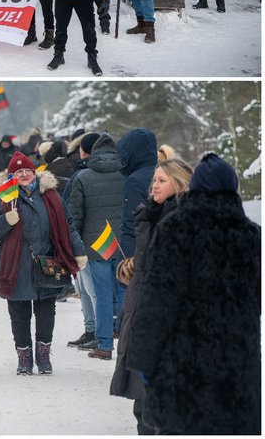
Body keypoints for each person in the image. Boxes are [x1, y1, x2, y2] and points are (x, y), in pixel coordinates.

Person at [127, 154, 260, 435]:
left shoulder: (175, 229)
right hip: (235, 369)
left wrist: (143, 361)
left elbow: (156, 302)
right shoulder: (251, 236)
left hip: (181, 369)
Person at [0, 153, 86, 375]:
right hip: (15, 266)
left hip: (47, 263)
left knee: (47, 311)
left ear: (34, 172)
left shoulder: (50, 195)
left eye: (27, 170)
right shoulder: (4, 196)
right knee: (19, 313)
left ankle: (43, 354)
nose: (23, 174)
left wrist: (78, 251)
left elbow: (67, 225)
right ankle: (24, 357)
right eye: (18, 172)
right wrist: (5, 220)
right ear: (11, 176)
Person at [109, 157, 191, 434]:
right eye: (154, 180)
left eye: (161, 181)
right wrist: (133, 268)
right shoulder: (151, 215)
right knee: (142, 406)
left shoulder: (187, 220)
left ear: (179, 184)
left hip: (168, 324)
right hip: (142, 316)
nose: (154, 186)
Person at [66, 133, 126, 360]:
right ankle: (124, 339)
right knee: (122, 291)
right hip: (120, 242)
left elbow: (75, 216)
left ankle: (104, 344)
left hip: (96, 243)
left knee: (101, 295)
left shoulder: (83, 177)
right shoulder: (125, 175)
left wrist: (76, 245)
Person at [60, 131, 102, 350]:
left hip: (84, 239)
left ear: (83, 151)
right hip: (102, 238)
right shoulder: (114, 172)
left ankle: (95, 331)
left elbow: (69, 207)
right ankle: (92, 329)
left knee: (90, 289)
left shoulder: (82, 174)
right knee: (86, 288)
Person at [116, 128, 158, 259]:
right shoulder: (166, 175)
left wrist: (125, 263)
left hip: (143, 254)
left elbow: (131, 226)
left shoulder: (134, 181)